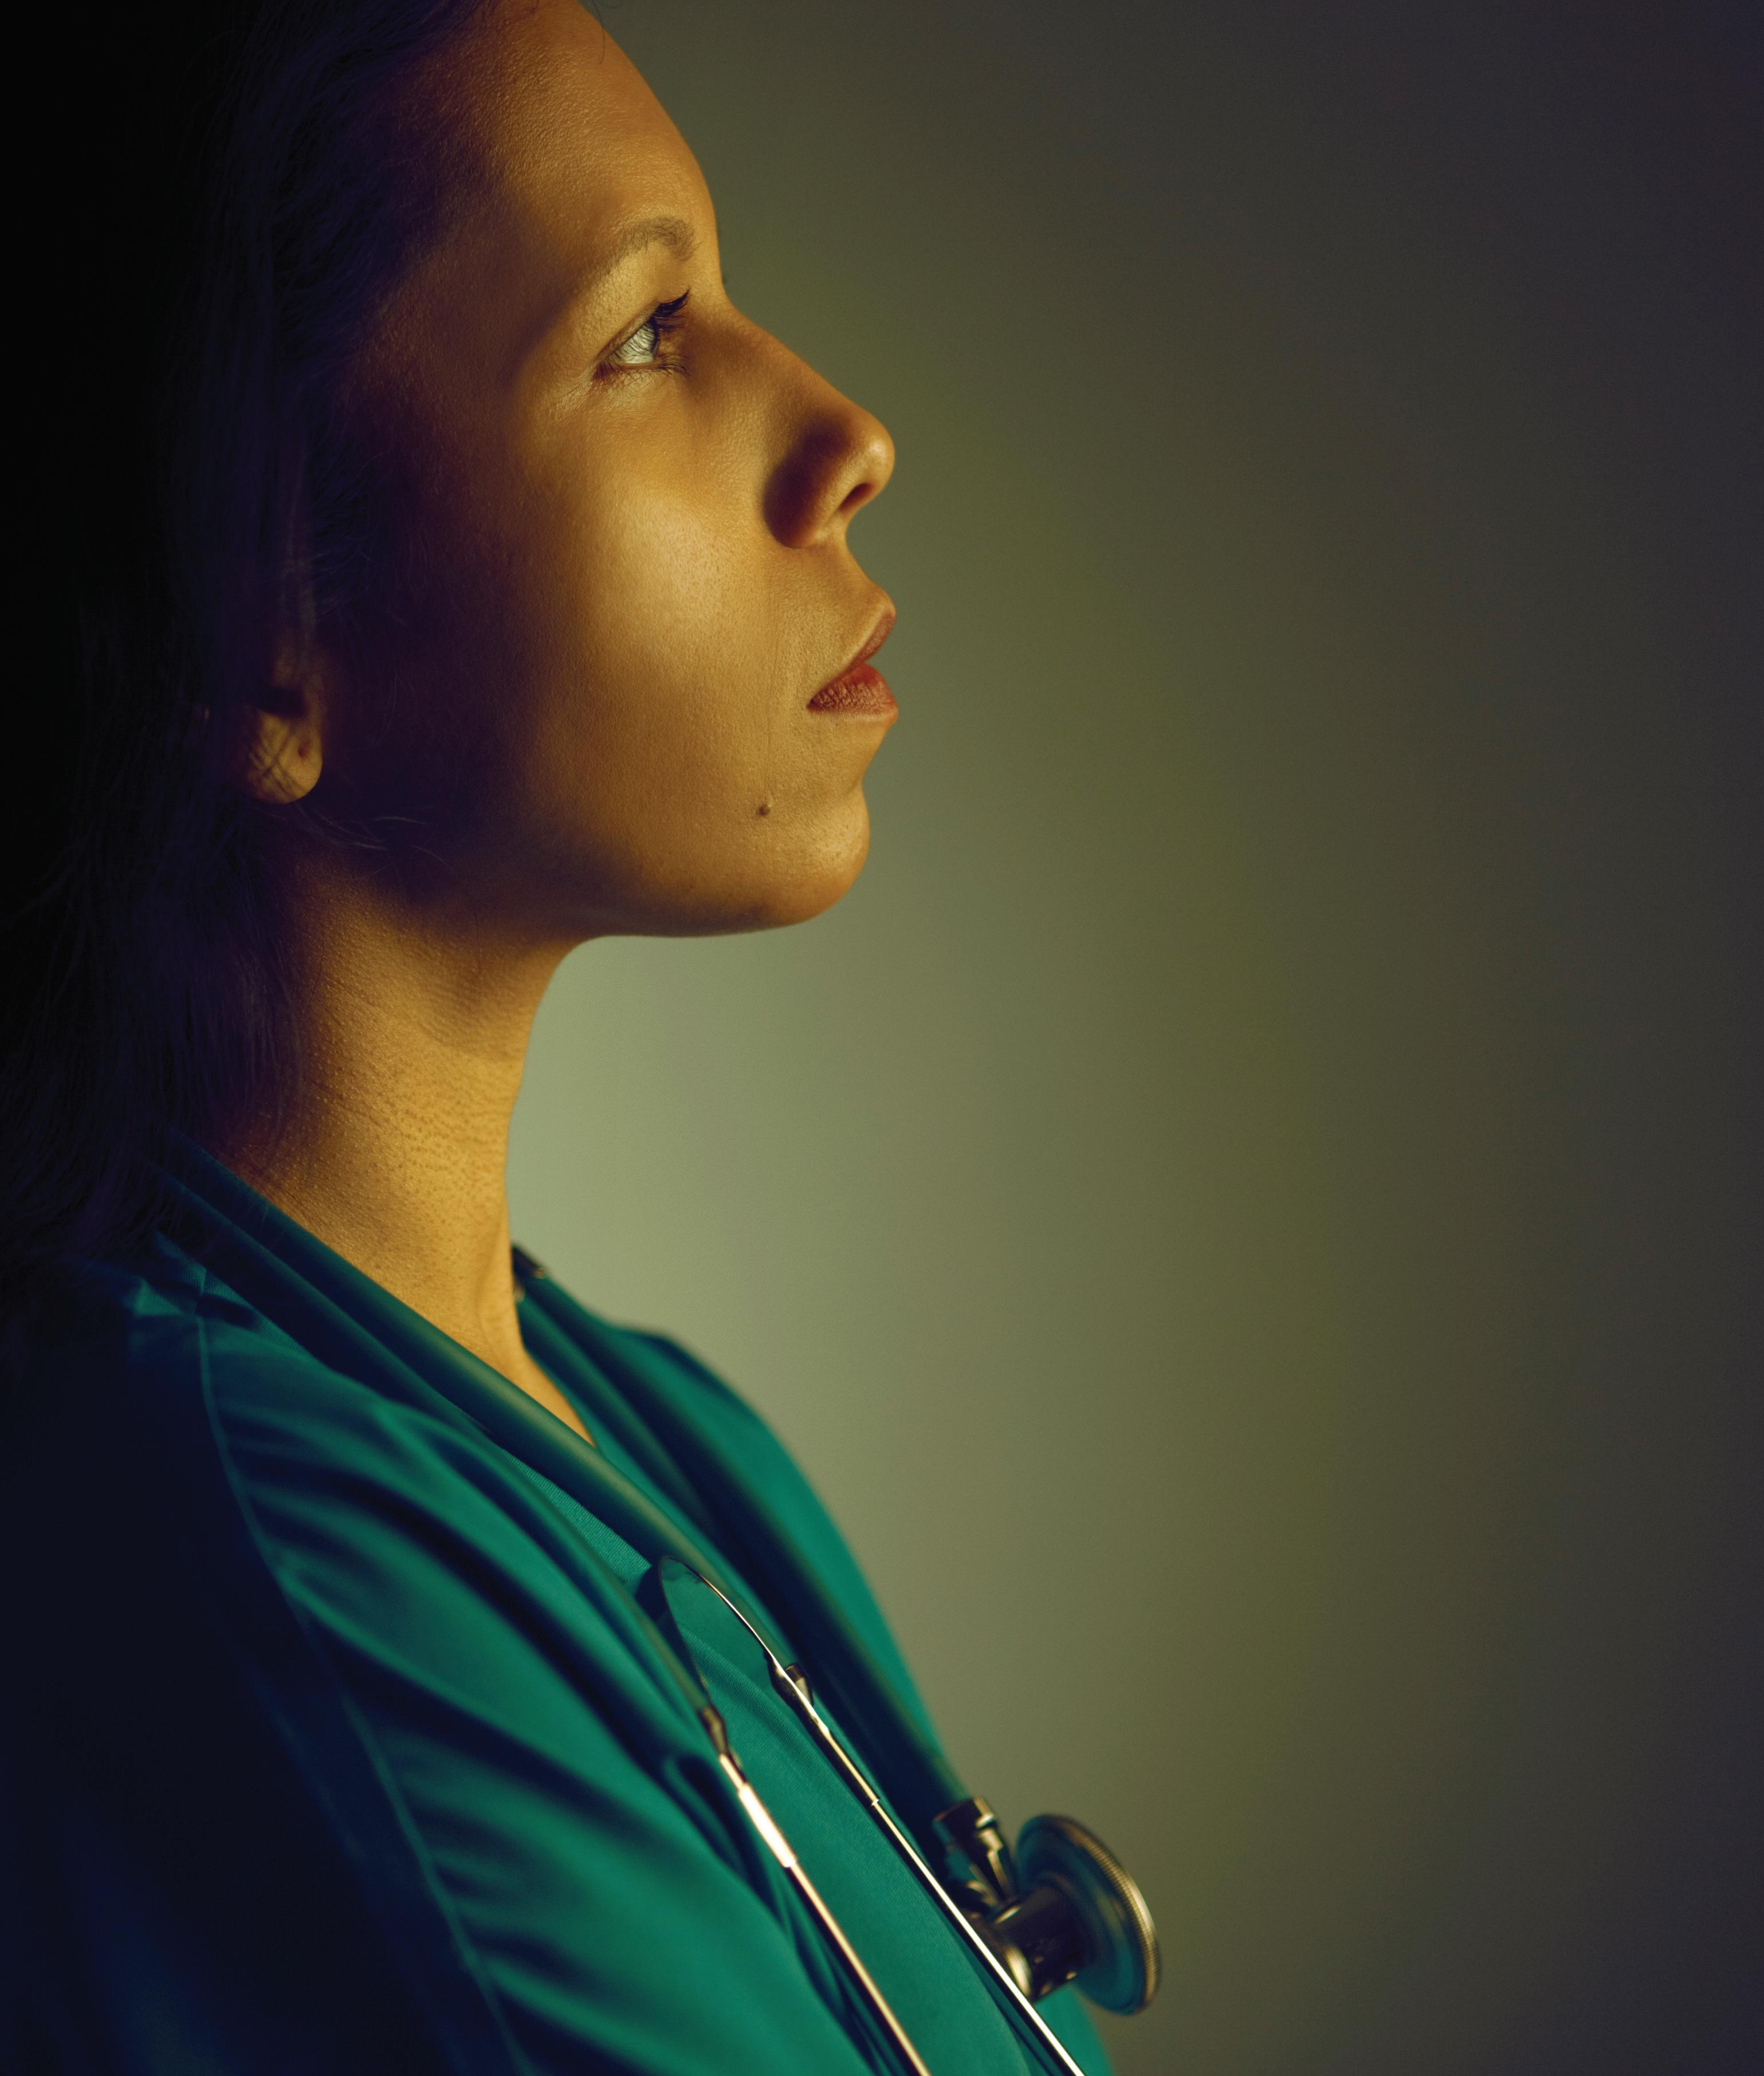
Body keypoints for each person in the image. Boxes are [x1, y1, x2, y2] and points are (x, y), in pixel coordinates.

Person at [0, 2, 1122, 2070]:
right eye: (645, 335)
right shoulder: (261, 1556)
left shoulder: (662, 1433)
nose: (847, 435)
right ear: (251, 621)